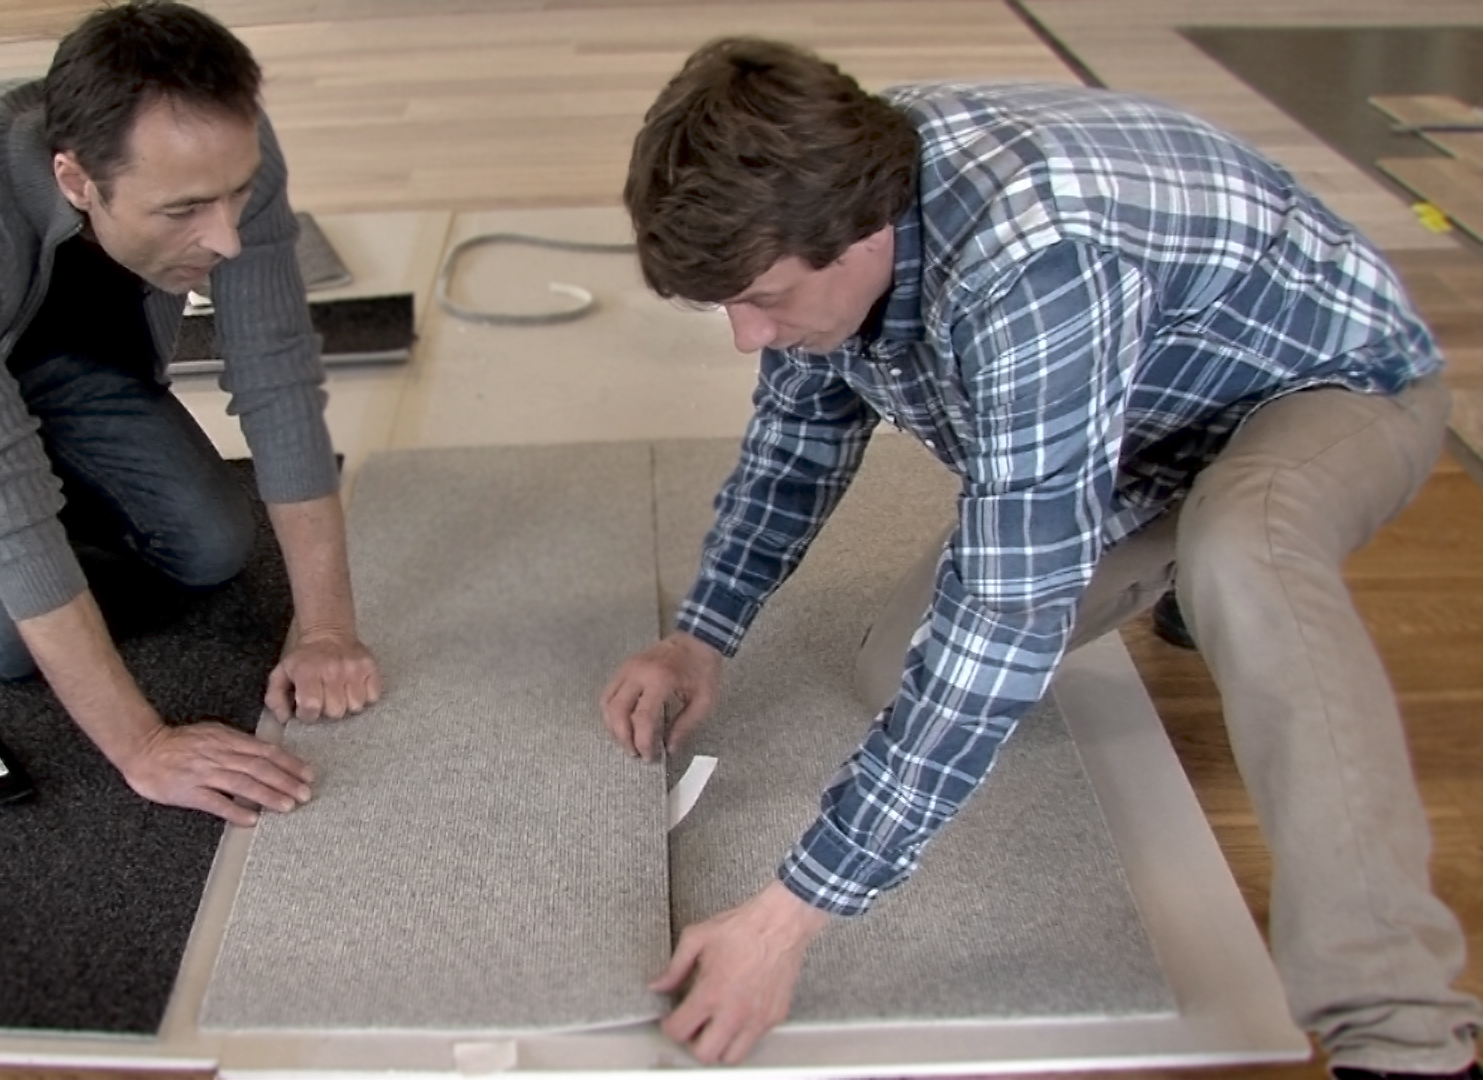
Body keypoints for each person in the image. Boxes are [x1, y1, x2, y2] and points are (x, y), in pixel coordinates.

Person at [601, 37, 1481, 1075]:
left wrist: (790, 916)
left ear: (864, 235)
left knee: (1244, 550)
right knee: (899, 663)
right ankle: (1191, 564)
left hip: (1333, 389)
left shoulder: (1036, 262)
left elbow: (1007, 618)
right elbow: (798, 439)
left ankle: (1407, 1031)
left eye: (766, 300)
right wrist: (703, 634)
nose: (747, 337)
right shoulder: (816, 186)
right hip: (1140, 429)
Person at [0, 1, 380, 826]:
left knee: (213, 545)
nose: (228, 239)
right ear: (75, 181)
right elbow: (0, 495)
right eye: (184, 212)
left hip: (56, 348)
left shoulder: (220, 146)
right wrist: (143, 744)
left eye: (236, 196)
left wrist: (326, 632)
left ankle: (44, 458)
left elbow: (277, 377)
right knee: (4, 635)